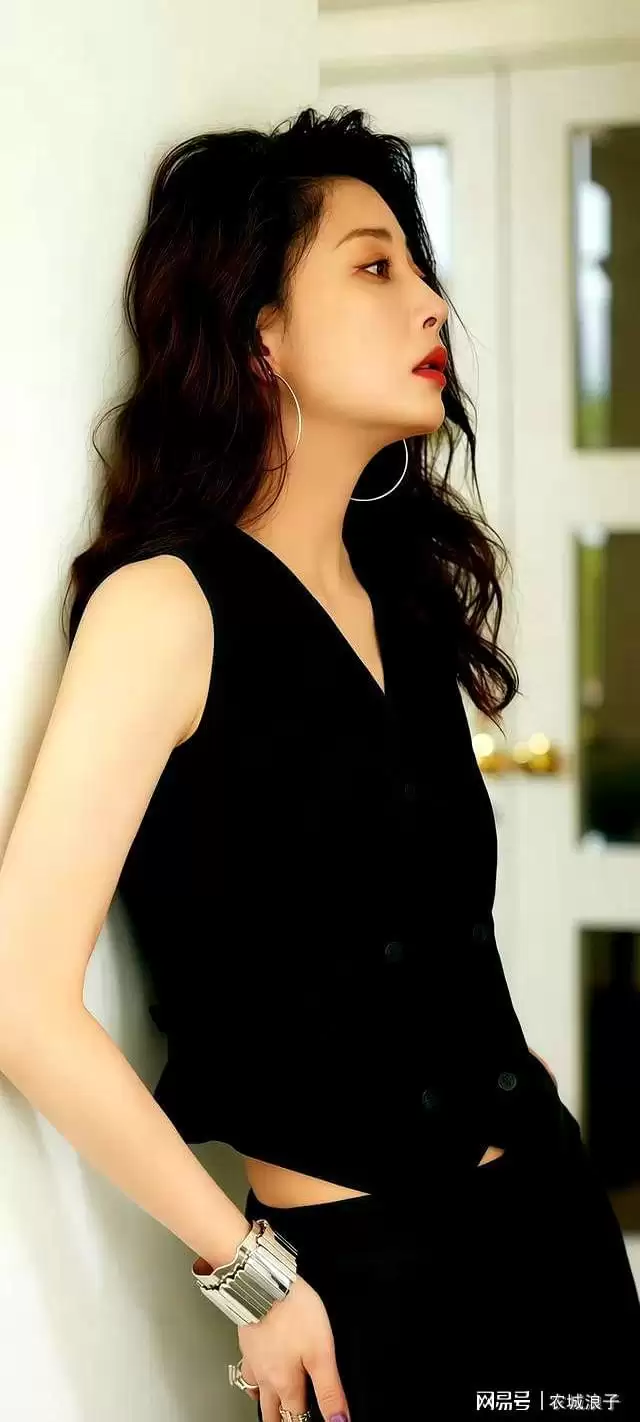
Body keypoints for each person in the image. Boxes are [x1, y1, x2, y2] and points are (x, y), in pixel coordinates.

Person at [0, 105, 638, 1421]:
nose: (431, 302)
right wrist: (248, 1274)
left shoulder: (399, 606)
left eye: (420, 266)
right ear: (260, 333)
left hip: (553, 1225)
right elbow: (19, 996)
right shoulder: (165, 607)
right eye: (375, 265)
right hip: (366, 1290)